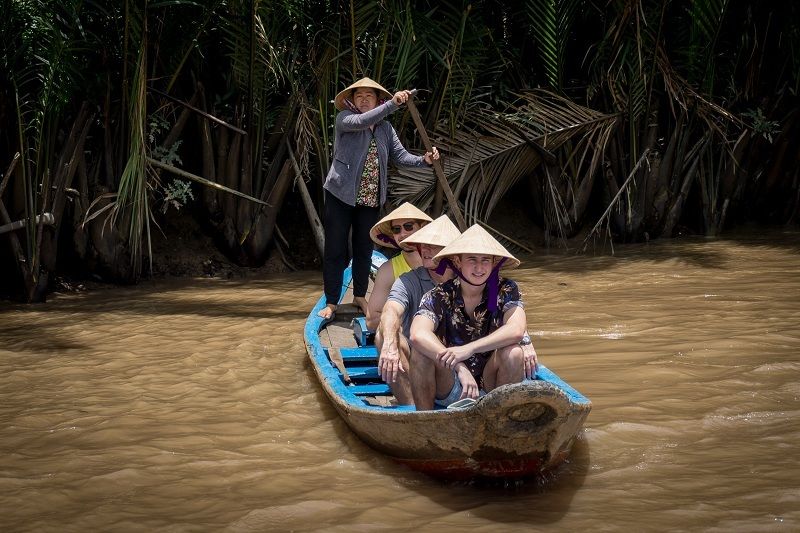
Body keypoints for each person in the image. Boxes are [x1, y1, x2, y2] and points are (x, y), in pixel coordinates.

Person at [318, 77, 440, 320]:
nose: (364, 100)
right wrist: (394, 104)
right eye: (359, 96)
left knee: (364, 248)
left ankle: (360, 296)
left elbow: (401, 156)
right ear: (352, 101)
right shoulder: (345, 119)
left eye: (369, 96)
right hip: (340, 195)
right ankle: (331, 301)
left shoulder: (385, 128)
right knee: (336, 248)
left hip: (370, 198)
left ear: (377, 100)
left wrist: (424, 160)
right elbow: (363, 121)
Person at [409, 224, 538, 409]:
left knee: (514, 353)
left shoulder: (506, 289)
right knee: (420, 352)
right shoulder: (439, 294)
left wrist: (469, 349)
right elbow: (417, 334)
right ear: (458, 261)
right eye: (472, 260)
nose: (479, 267)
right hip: (451, 383)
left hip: (491, 385)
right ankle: (424, 422)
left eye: (485, 260)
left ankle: (500, 420)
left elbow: (516, 330)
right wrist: (459, 366)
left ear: (494, 263)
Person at [374, 215, 461, 405]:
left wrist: (525, 342)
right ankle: (411, 406)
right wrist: (389, 344)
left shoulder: (469, 280)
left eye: (434, 245)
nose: (426, 251)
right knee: (384, 336)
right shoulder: (408, 280)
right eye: (424, 245)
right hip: (418, 364)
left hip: (456, 366)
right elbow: (390, 310)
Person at [365, 202, 433, 332]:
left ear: (422, 227)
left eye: (408, 226)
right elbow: (371, 321)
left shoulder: (440, 262)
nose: (403, 234)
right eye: (397, 229)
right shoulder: (387, 270)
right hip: (406, 336)